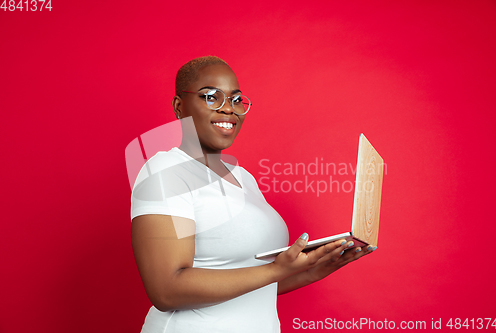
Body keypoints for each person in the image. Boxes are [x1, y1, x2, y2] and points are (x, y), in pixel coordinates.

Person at [130, 56, 376, 332]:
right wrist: (275, 270)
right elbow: (166, 289)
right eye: (211, 97)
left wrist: (314, 270)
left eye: (236, 100)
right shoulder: (165, 170)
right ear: (179, 106)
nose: (228, 110)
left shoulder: (243, 178)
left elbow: (252, 283)